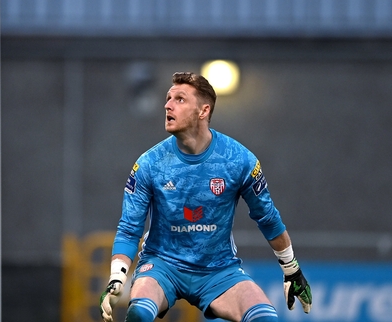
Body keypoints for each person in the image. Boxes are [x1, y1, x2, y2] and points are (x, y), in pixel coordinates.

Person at [99, 72, 312, 322]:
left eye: (179, 99)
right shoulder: (149, 164)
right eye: (168, 98)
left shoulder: (240, 161)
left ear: (203, 111)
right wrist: (118, 276)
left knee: (267, 319)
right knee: (138, 315)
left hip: (219, 270)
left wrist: (291, 270)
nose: (167, 105)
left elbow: (268, 218)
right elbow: (129, 228)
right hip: (162, 266)